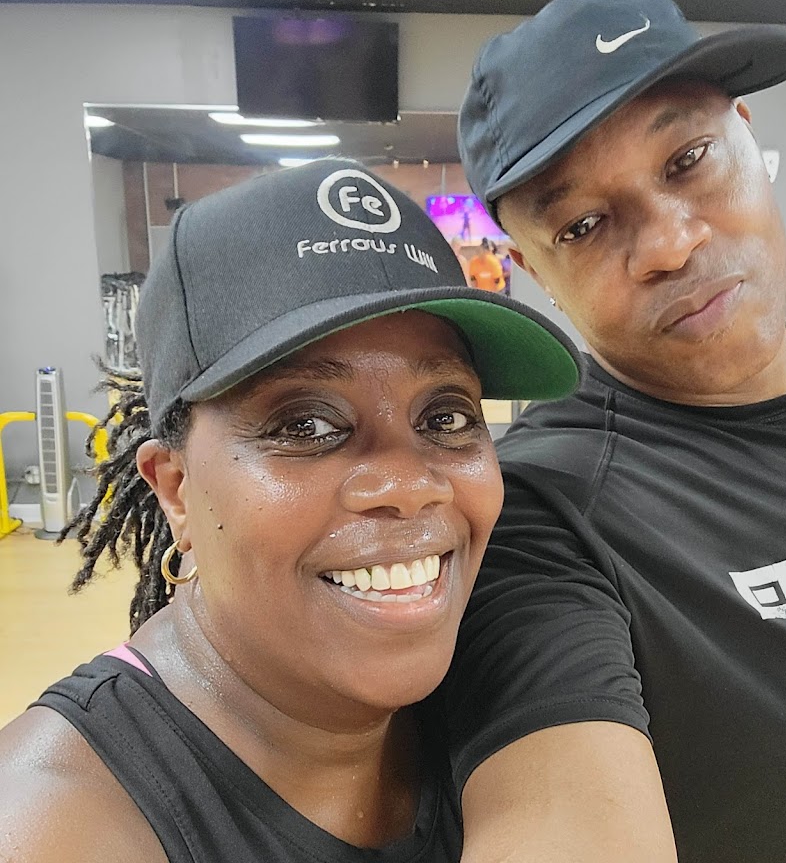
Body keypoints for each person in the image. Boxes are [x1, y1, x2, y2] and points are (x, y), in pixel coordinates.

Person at [445, 0, 786, 863]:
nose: (669, 244)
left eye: (687, 160)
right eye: (583, 225)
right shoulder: (535, 517)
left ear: (749, 139)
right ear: (529, 266)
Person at [0, 159, 580, 863]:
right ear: (176, 489)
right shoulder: (53, 824)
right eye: (306, 425)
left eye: (447, 417)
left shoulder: (505, 682)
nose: (408, 485)